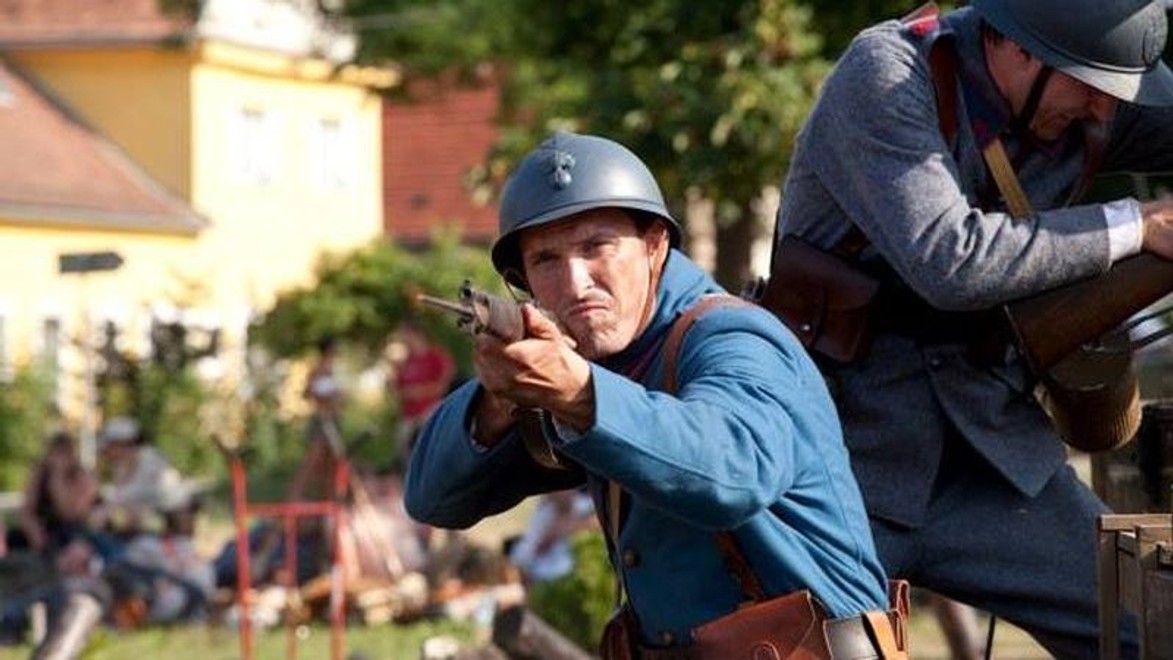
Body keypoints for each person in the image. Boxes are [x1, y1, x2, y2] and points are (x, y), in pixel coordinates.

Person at [772, 0, 1173, 656]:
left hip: (990, 451)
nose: (1106, 111)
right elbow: (949, 259)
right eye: (1091, 87)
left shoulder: (1082, 76)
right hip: (837, 461)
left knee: (1155, 628)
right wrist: (1135, 225)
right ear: (1014, 47)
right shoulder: (885, 73)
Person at [406, 131, 899, 657]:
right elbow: (435, 497)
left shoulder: (734, 338)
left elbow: (733, 471)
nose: (575, 282)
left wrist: (578, 393)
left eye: (596, 246)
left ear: (654, 245)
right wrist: (501, 396)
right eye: (546, 260)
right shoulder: (595, 361)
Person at [10, 431, 98, 558]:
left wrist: (58, 478)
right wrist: (33, 530)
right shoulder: (39, 472)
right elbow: (27, 509)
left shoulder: (83, 477)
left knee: (70, 539)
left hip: (72, 530)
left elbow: (69, 514)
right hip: (42, 529)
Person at [387, 320, 456, 455]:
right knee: (404, 447)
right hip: (408, 416)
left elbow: (445, 386)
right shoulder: (406, 361)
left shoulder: (436, 356)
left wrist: (419, 391)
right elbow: (396, 390)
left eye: (405, 334)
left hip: (430, 412)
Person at [507, 489, 596, 585]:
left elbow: (597, 523)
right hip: (550, 579)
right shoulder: (543, 516)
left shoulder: (587, 506)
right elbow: (525, 555)